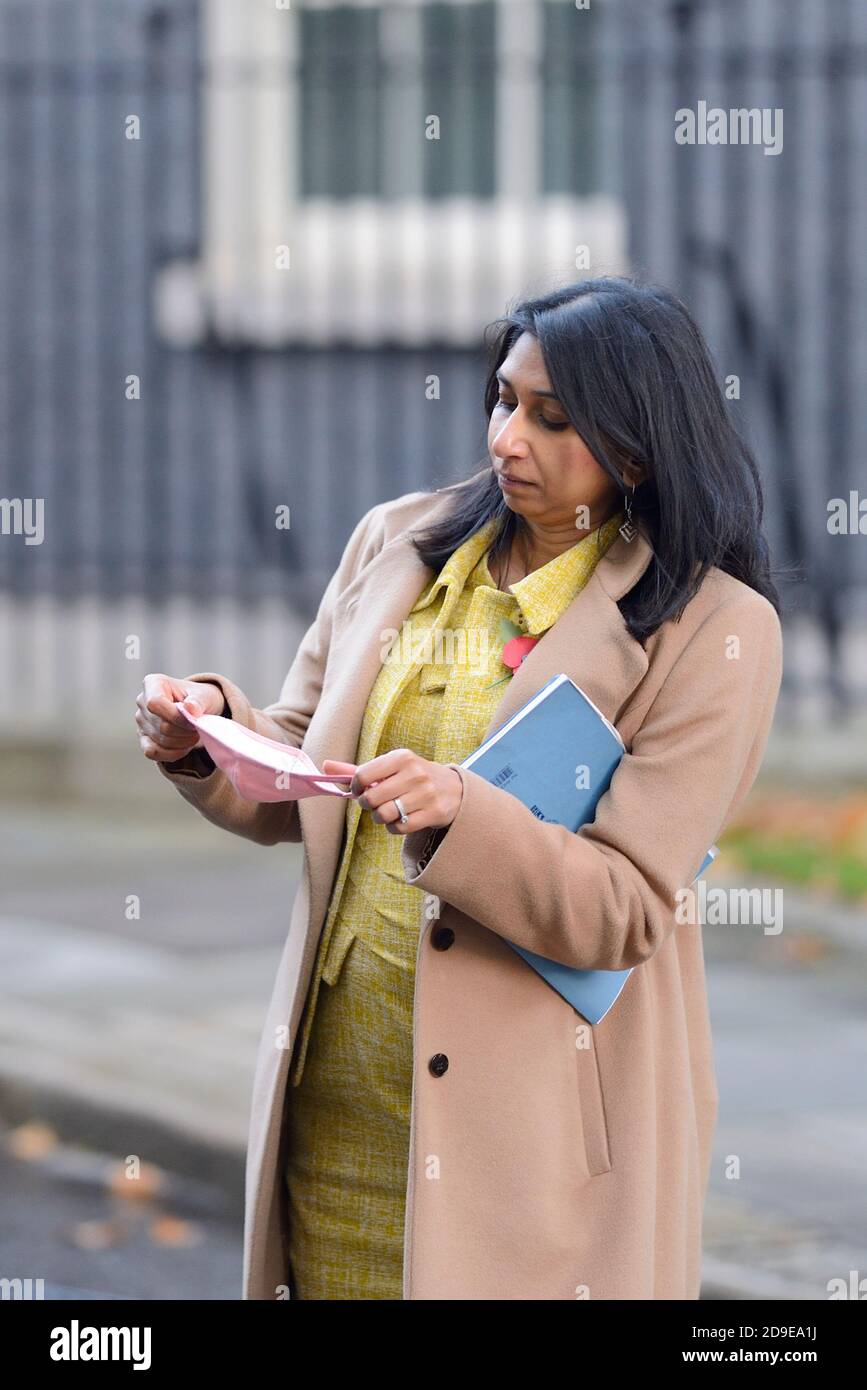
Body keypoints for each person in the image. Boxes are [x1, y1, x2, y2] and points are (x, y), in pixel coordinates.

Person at [135, 276, 783, 1300]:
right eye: (503, 398)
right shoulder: (398, 541)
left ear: (638, 450)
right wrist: (209, 730)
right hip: (340, 1109)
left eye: (551, 419)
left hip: (531, 1152)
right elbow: (304, 764)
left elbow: (622, 905)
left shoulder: (714, 628)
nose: (506, 438)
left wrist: (462, 814)